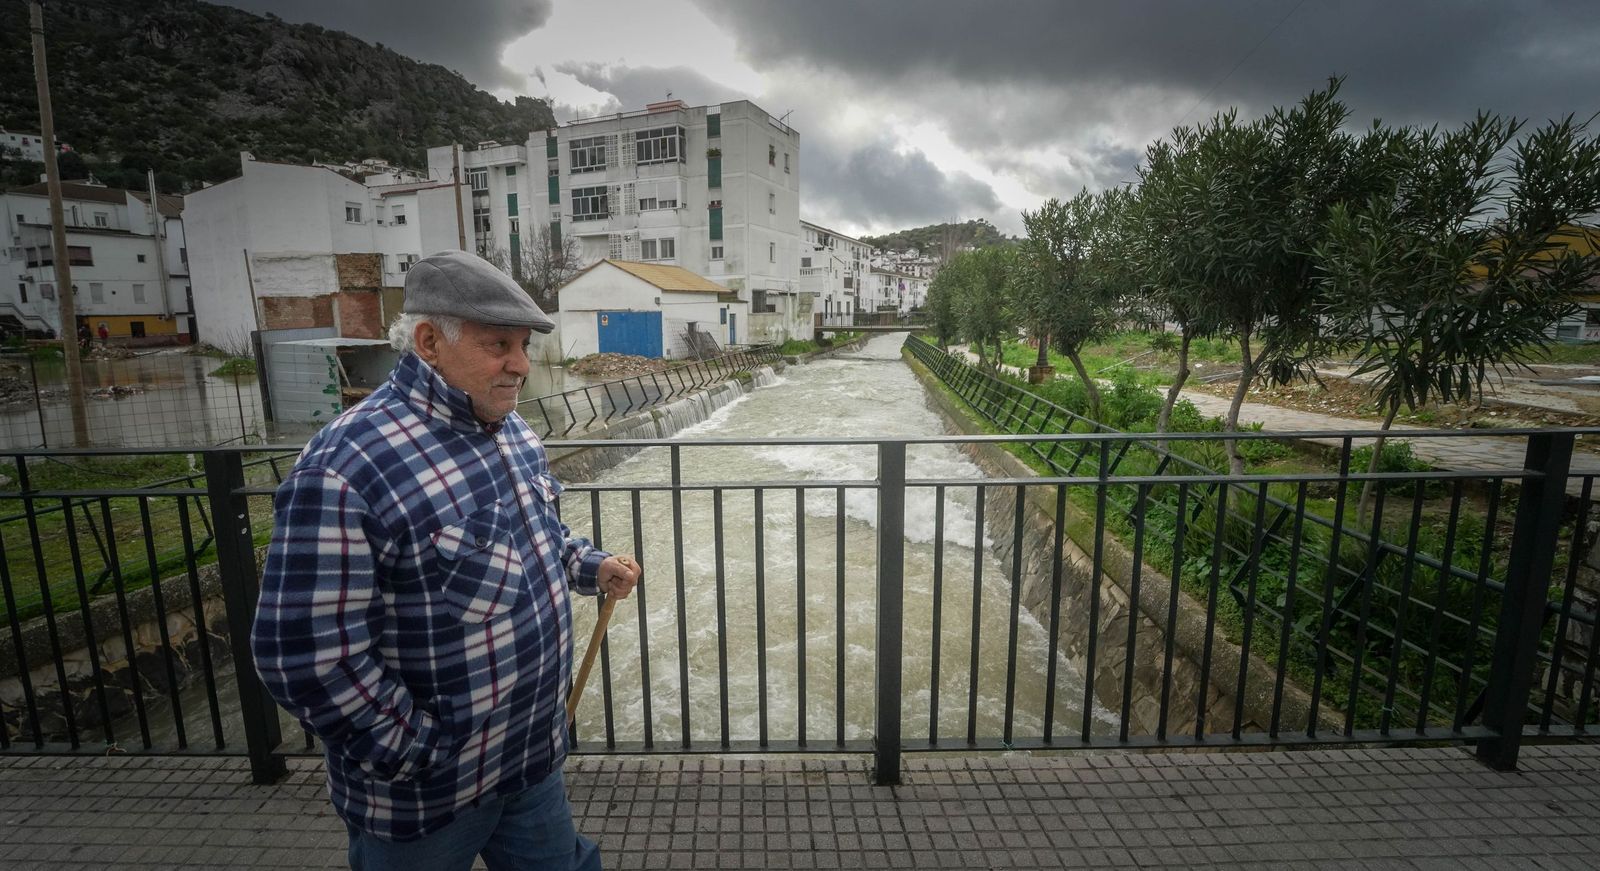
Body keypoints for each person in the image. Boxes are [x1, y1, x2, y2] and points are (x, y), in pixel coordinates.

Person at [253, 249, 641, 871]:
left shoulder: (512, 431)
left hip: (529, 763)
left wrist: (590, 567)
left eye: (523, 344)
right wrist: (418, 753)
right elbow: (303, 655)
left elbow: (533, 538)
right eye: (499, 346)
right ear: (430, 341)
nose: (521, 365)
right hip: (426, 798)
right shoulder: (348, 464)